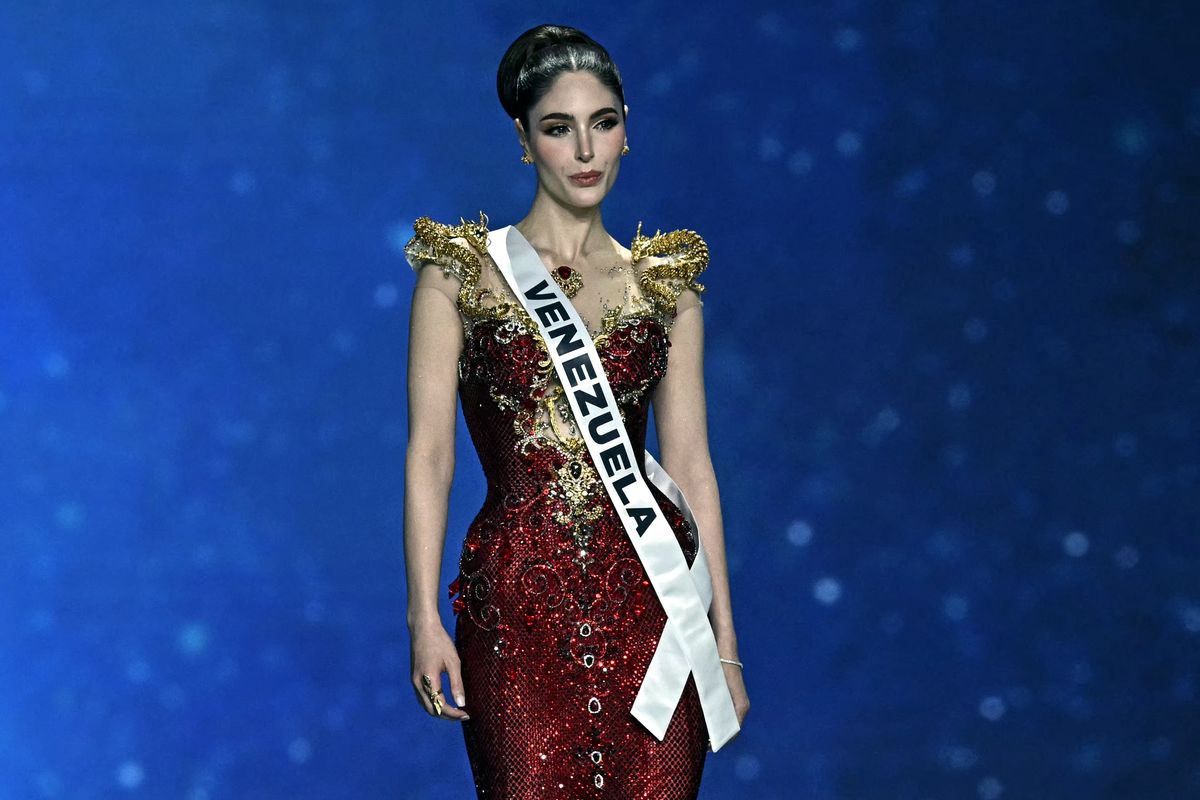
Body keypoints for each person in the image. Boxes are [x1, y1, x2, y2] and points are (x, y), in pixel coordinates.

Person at [402, 23, 749, 799]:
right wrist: (423, 618)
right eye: (559, 129)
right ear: (524, 141)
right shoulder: (459, 277)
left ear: (628, 130)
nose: (586, 152)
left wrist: (722, 639)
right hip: (517, 611)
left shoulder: (666, 287)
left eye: (604, 124)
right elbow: (430, 455)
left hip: (655, 613)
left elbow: (690, 463)